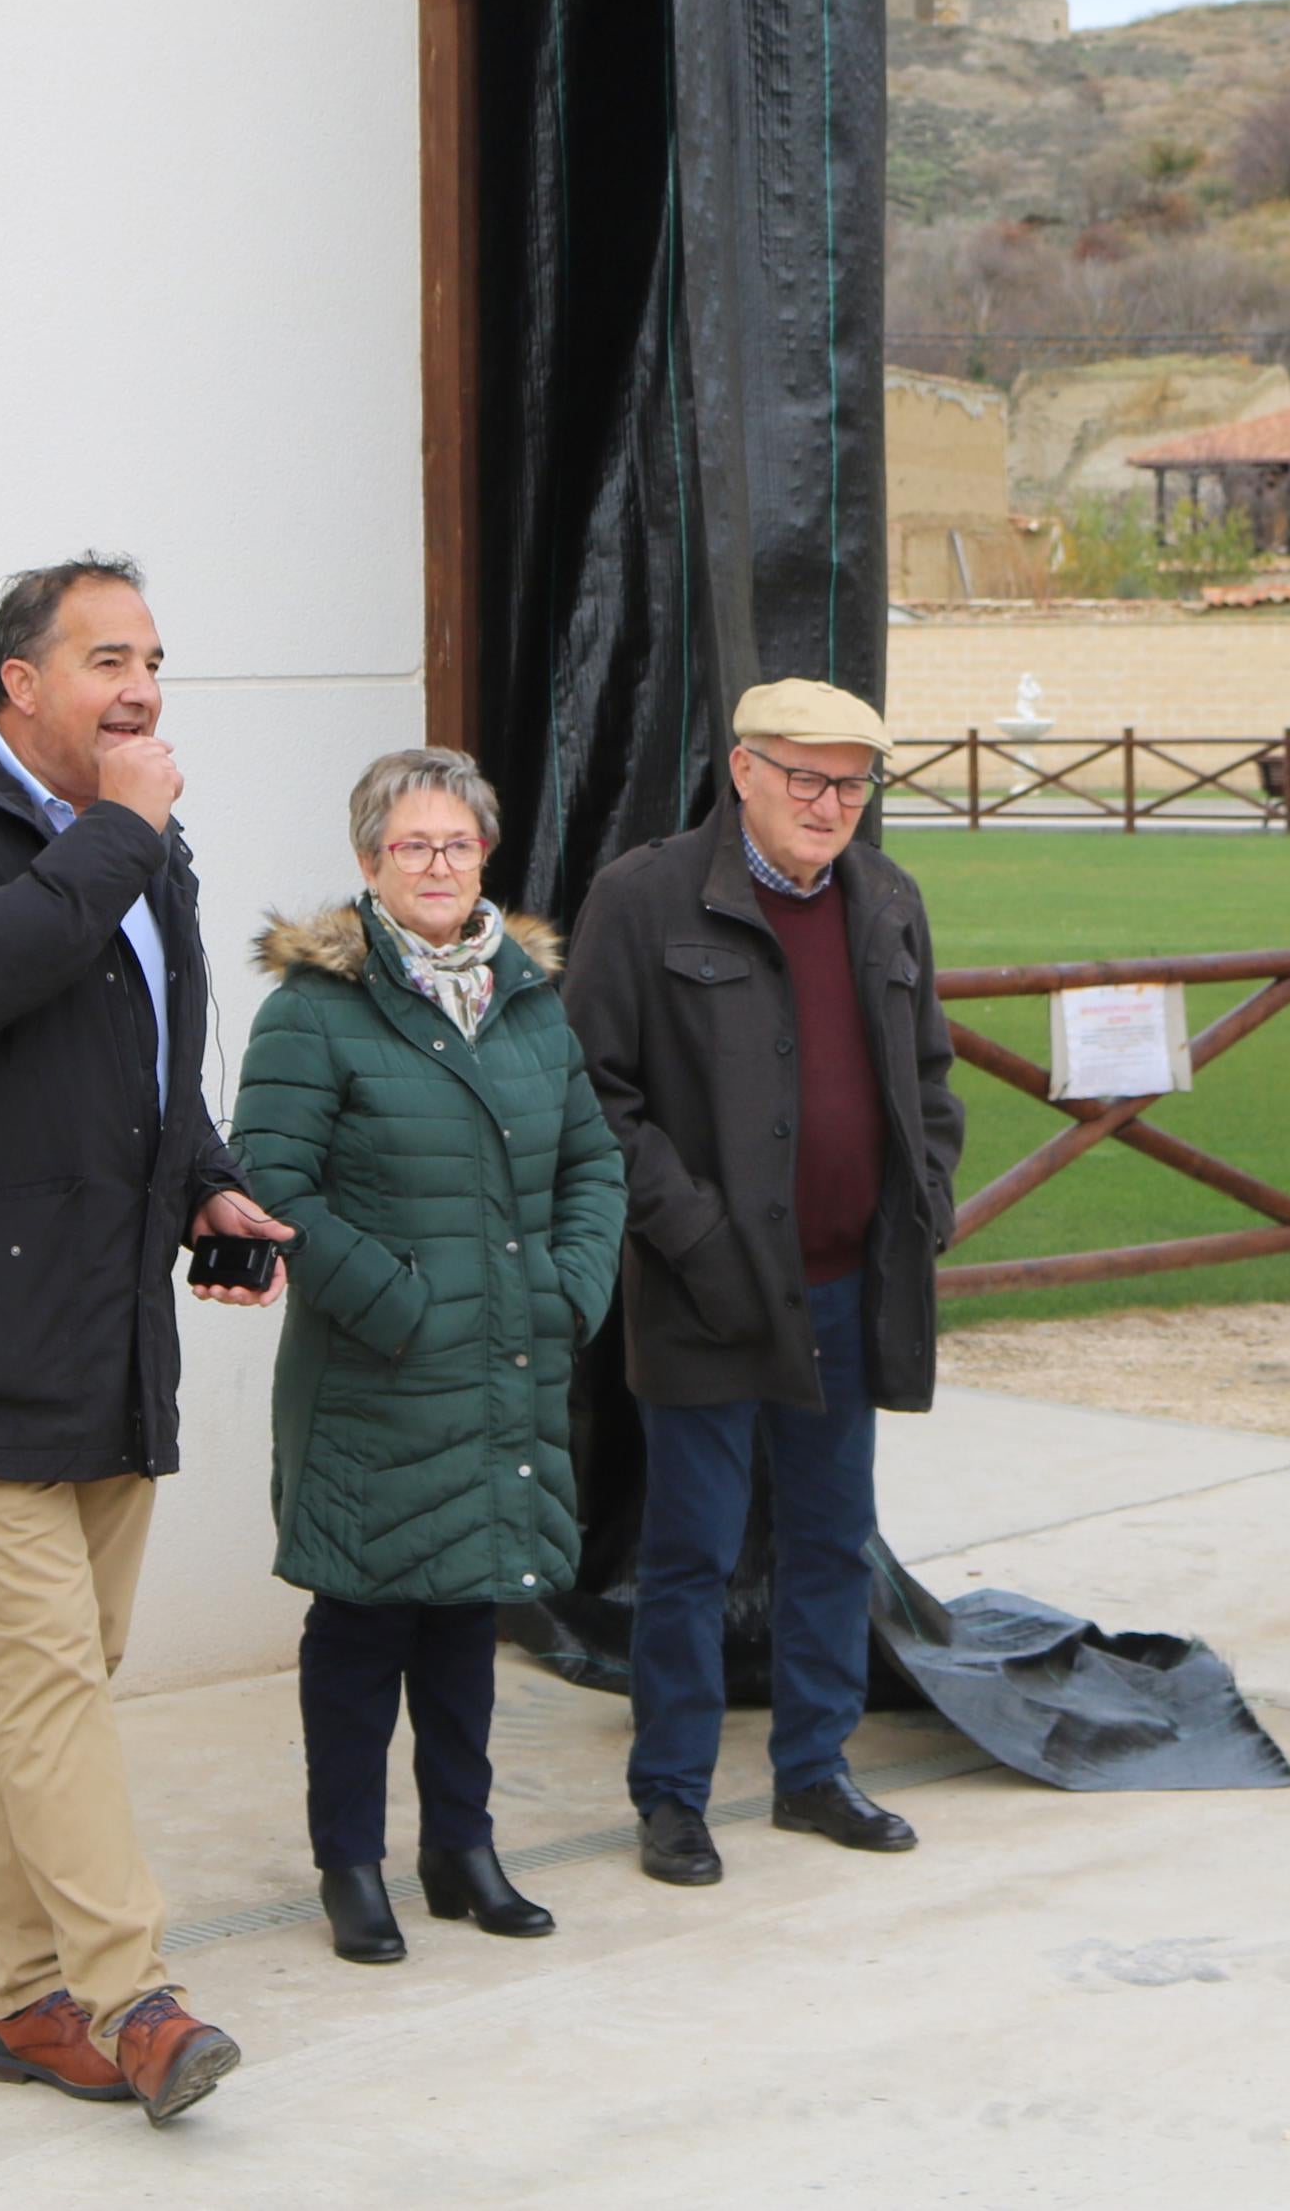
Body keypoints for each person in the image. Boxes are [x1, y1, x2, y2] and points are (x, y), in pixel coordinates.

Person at [0, 553, 296, 2126]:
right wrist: (121, 830)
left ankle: (24, 2002)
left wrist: (207, 1184)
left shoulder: (131, 834)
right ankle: (131, 1995)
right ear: (17, 680)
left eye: (153, 654)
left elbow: (155, 1056)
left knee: (58, 1684)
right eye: (105, 657)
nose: (141, 685)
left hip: (104, 1323)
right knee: (48, 1679)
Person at [562, 679, 965, 1887]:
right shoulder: (641, 898)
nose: (829, 804)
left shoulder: (887, 899)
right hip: (704, 1293)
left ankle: (813, 1772)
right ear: (741, 769)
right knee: (688, 1555)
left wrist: (925, 1196)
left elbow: (928, 1075)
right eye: (805, 777)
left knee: (833, 1540)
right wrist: (686, 1235)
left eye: (851, 782)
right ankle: (671, 1798)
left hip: (850, 1286)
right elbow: (593, 1096)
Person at [233, 747, 626, 1966]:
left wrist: (566, 1292)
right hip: (372, 1380)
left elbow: (593, 1165)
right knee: (359, 1634)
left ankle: (461, 1849)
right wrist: (397, 1305)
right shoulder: (315, 1009)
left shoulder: (525, 1001)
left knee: (465, 1622)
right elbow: (268, 1179)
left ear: (484, 858)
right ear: (368, 864)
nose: (439, 865)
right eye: (413, 846)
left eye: (457, 844)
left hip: (501, 1368)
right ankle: (349, 1865)